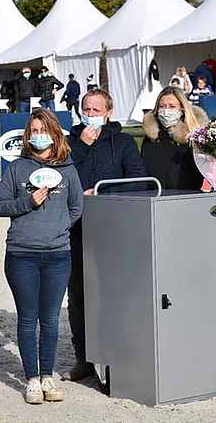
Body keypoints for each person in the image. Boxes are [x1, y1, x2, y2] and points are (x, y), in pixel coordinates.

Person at [0, 108, 84, 404]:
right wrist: (27, 202)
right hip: (21, 255)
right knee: (27, 319)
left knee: (51, 320)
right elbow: (0, 206)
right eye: (33, 131)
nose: (38, 135)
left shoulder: (68, 170)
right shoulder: (17, 168)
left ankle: (48, 376)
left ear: (55, 133)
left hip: (58, 256)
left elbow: (76, 207)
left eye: (43, 130)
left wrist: (57, 229)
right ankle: (31, 379)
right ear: (27, 136)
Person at [62, 89, 146, 382]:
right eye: (87, 109)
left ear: (109, 113)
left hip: (113, 230)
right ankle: (83, 358)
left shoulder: (123, 143)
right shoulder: (70, 143)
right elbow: (63, 179)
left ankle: (117, 356)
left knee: (113, 295)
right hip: (76, 231)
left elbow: (138, 180)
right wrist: (82, 147)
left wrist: (101, 192)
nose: (91, 115)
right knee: (78, 299)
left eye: (97, 110)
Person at [141, 86, 209, 190]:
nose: (166, 110)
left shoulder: (194, 141)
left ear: (182, 110)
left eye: (172, 106)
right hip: (154, 199)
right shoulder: (150, 140)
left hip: (187, 200)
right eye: (162, 106)